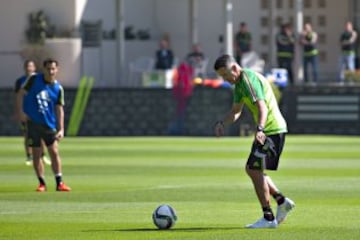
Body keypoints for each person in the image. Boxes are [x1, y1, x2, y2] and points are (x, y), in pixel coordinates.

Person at [213, 54, 295, 228]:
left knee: (253, 169)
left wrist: (260, 129)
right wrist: (222, 122)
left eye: (226, 75)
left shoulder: (248, 79)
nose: (226, 79)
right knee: (254, 170)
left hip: (270, 130)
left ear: (235, 68)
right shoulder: (239, 85)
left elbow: (262, 107)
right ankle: (281, 201)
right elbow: (236, 111)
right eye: (222, 77)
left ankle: (268, 217)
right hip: (269, 130)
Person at [15, 58, 71, 192]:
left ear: (57, 70)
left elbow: (59, 109)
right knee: (36, 154)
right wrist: (20, 112)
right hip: (33, 123)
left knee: (54, 152)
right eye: (48, 69)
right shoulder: (34, 79)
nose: (51, 71)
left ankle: (59, 182)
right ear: (44, 69)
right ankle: (42, 183)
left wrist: (61, 129)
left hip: (48, 124)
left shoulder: (58, 88)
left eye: (53, 69)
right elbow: (20, 94)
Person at [14, 60, 51, 166]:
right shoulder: (20, 81)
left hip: (39, 112)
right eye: (26, 66)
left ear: (34, 67)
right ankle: (29, 156)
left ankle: (42, 155)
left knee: (43, 134)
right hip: (26, 113)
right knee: (27, 135)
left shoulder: (39, 79)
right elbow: (18, 96)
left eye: (30, 66)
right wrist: (19, 112)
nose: (28, 68)